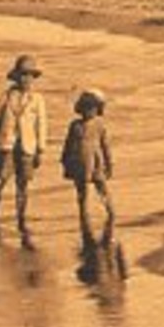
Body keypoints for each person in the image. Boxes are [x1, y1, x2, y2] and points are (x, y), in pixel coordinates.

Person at [0, 54, 48, 241]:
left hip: (27, 147)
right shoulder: (5, 97)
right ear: (16, 76)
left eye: (30, 75)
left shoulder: (37, 99)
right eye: (23, 75)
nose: (26, 79)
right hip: (6, 145)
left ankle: (21, 219)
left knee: (23, 186)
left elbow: (42, 125)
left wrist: (40, 149)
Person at [60, 88, 116, 246]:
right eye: (86, 108)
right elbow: (68, 144)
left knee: (102, 187)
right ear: (80, 109)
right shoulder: (74, 125)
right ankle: (83, 214)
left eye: (92, 109)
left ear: (98, 110)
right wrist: (64, 160)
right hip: (79, 162)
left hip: (96, 162)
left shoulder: (99, 125)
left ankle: (110, 212)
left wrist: (109, 164)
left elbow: (106, 146)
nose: (89, 112)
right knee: (81, 191)